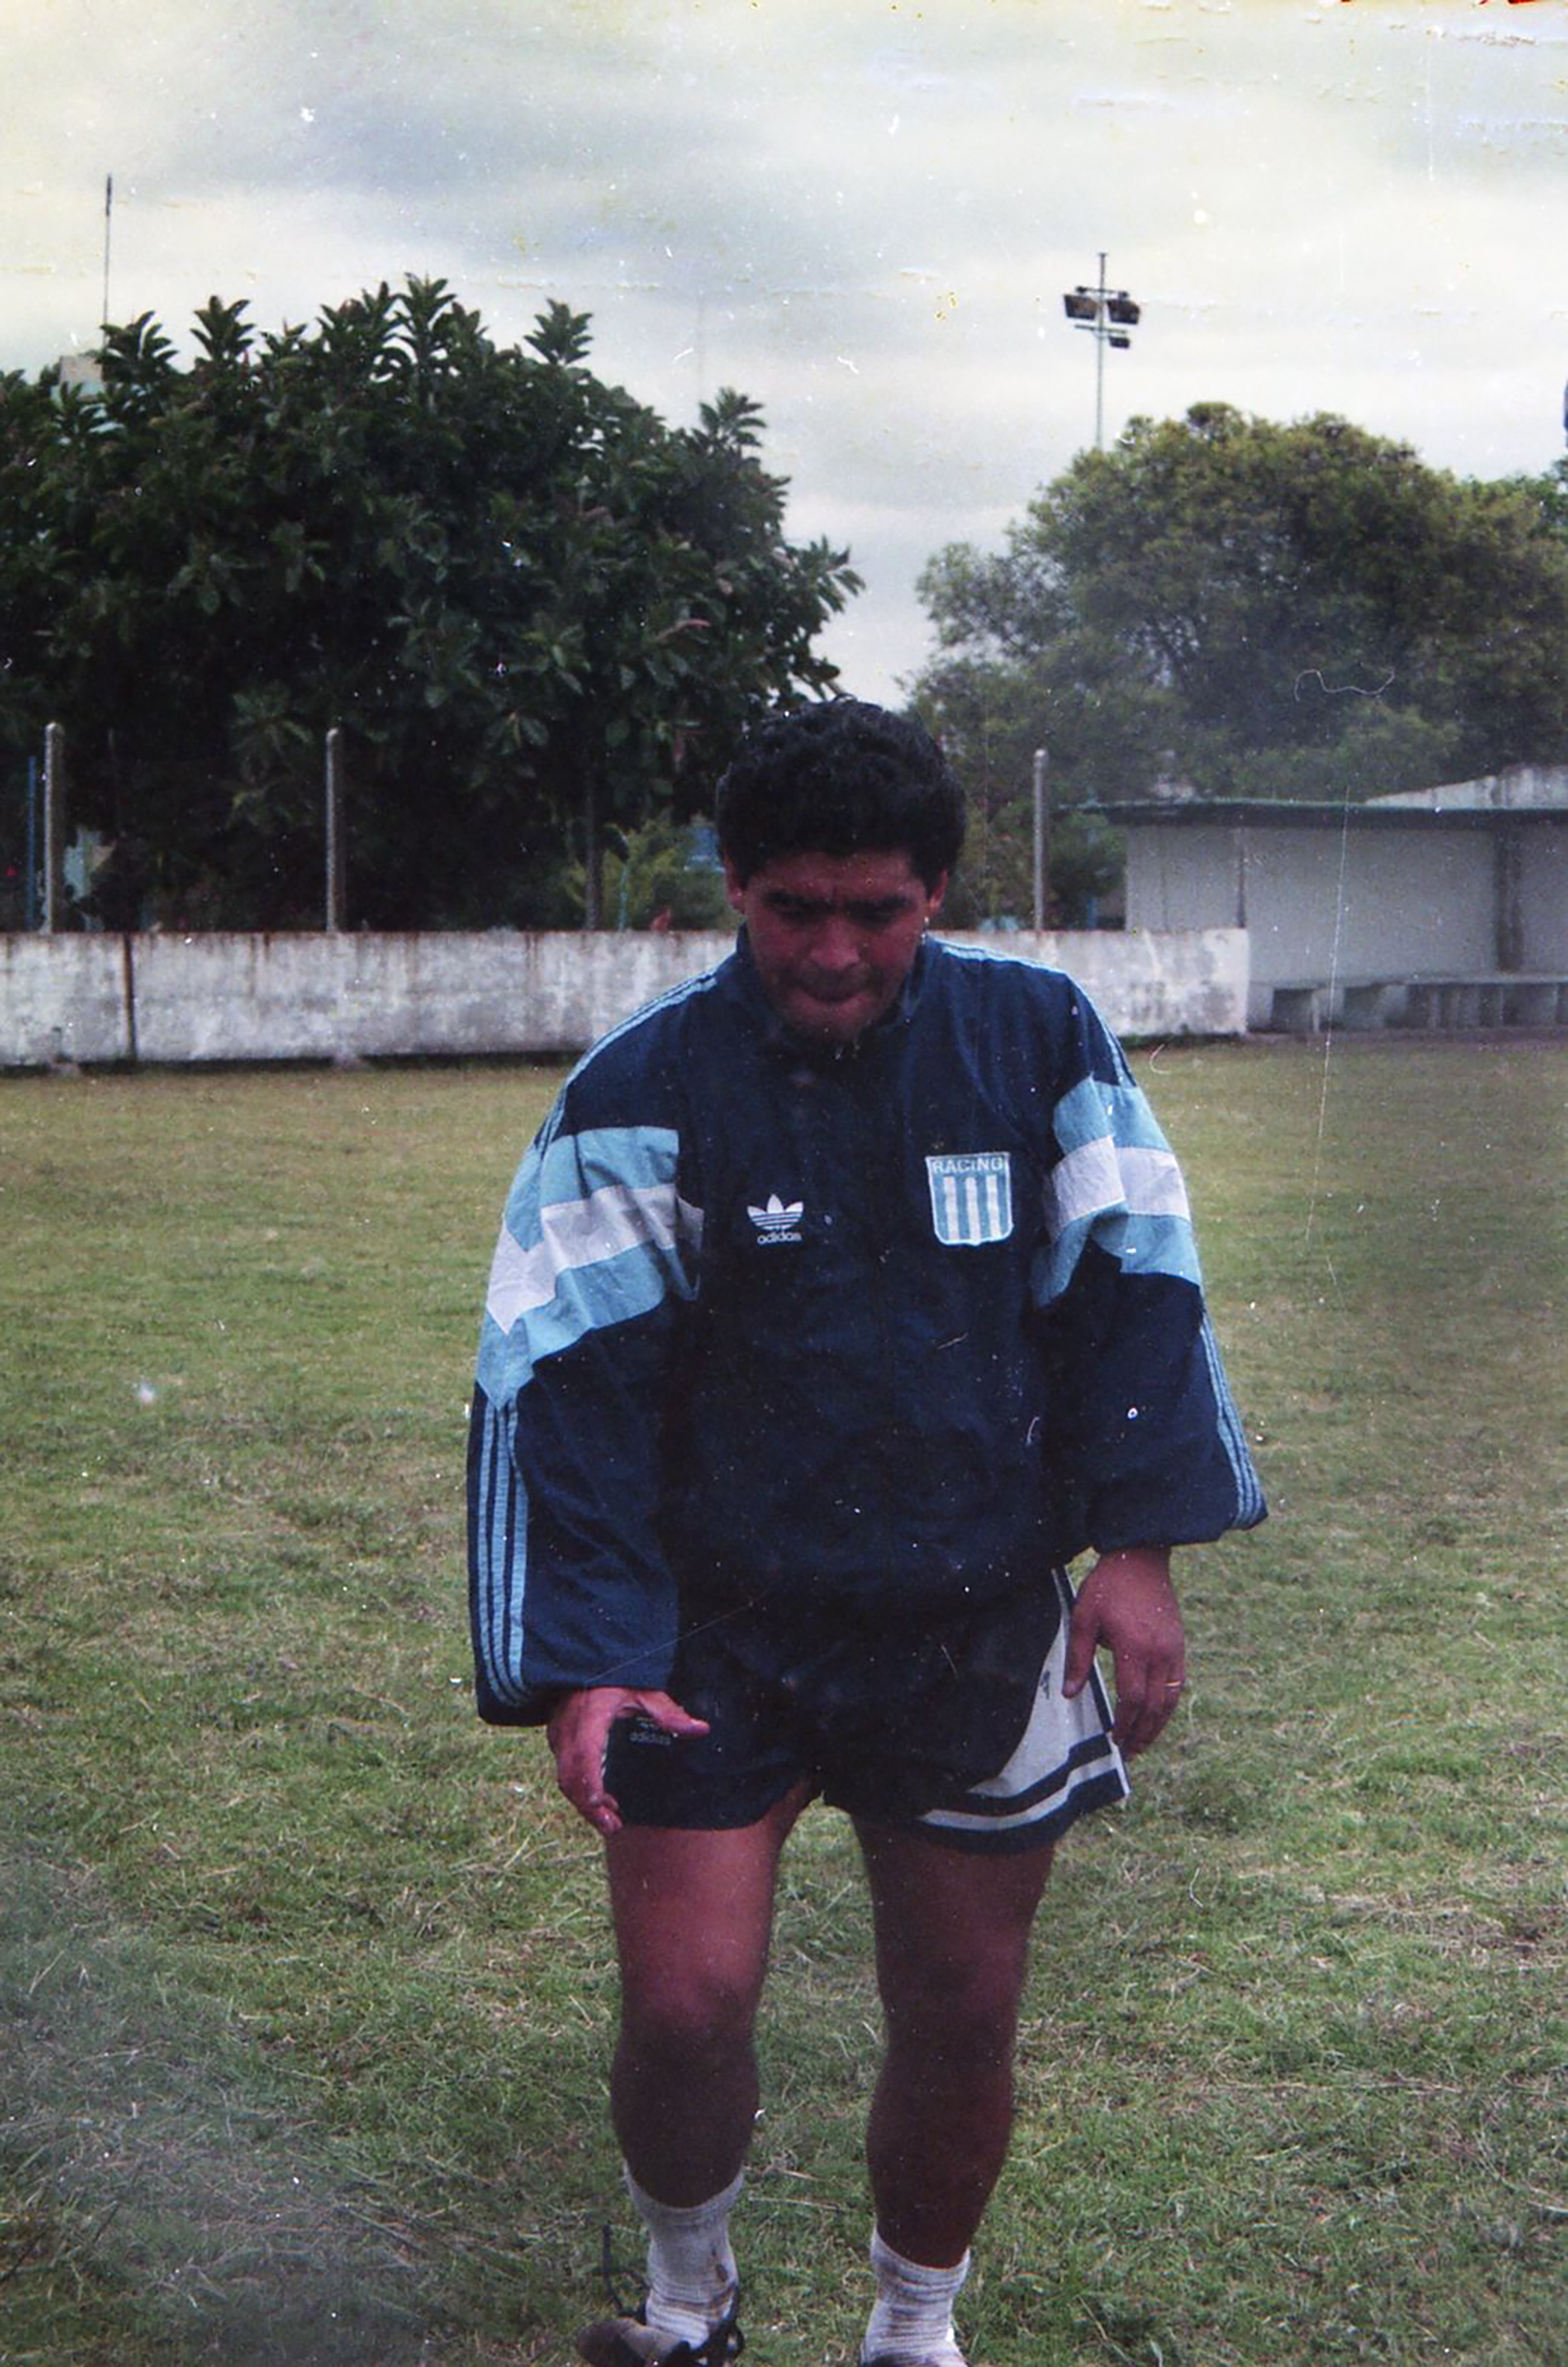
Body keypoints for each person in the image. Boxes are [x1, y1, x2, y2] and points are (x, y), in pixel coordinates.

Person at [467, 699, 1265, 2367]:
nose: (833, 951)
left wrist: (1137, 1551)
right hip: (713, 1625)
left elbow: (1141, 1285)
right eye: (793, 911)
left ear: (937, 896)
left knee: (964, 2007)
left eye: (878, 913)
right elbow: (564, 1384)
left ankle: (916, 2329)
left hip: (971, 1615)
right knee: (685, 2007)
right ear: (735, 893)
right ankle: (690, 2305)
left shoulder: (1039, 1040)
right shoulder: (641, 1089)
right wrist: (589, 1659)